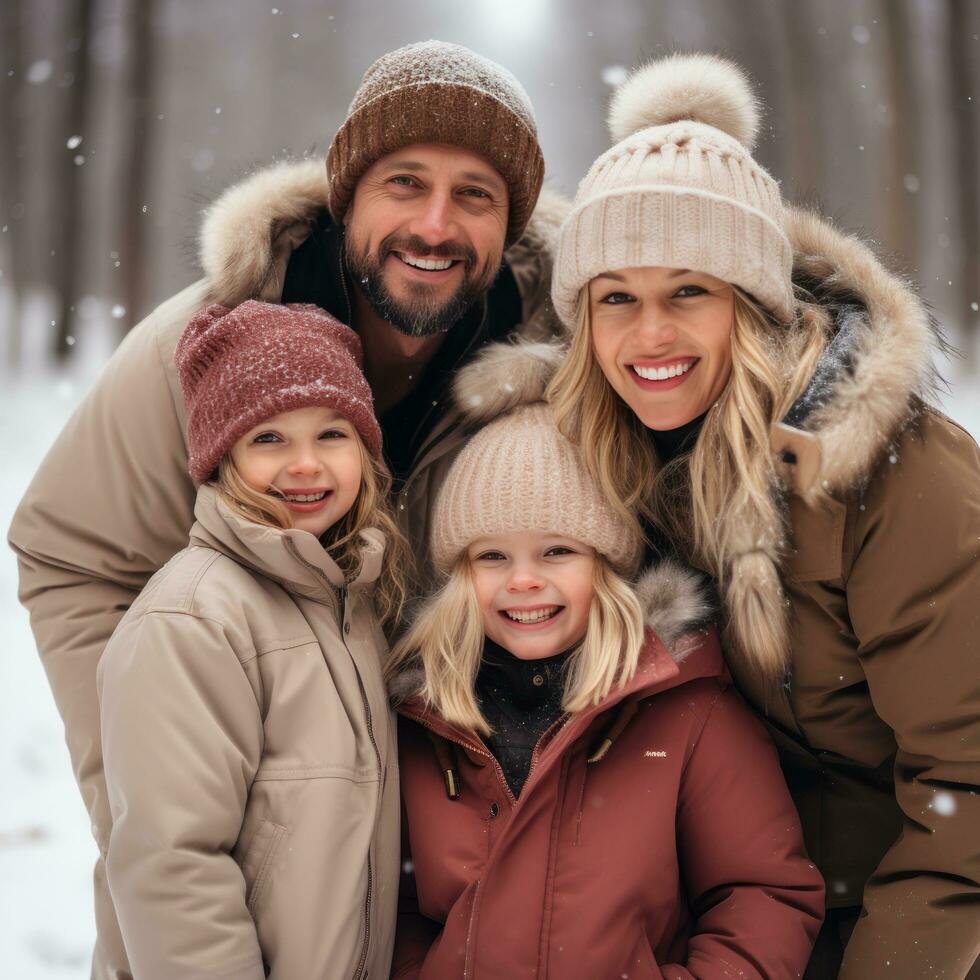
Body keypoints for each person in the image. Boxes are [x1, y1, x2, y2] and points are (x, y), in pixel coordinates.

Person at [8, 40, 562, 978]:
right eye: (405, 182)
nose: (434, 223)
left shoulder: (542, 367)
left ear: (511, 227)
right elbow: (71, 553)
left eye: (475, 195)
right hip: (240, 894)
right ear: (348, 196)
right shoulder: (210, 341)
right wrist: (157, 799)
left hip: (431, 883)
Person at [539, 53, 980, 978]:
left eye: (688, 291)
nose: (649, 334)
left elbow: (967, 788)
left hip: (890, 925)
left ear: (756, 307)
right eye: (616, 297)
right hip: (732, 920)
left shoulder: (896, 478)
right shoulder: (595, 467)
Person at [384, 378, 826, 978]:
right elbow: (400, 907)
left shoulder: (687, 712)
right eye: (492, 557)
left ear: (607, 563)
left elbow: (762, 894)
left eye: (557, 552)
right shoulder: (426, 722)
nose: (523, 581)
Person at [97, 300, 406, 979]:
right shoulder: (194, 620)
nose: (305, 465)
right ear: (221, 454)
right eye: (269, 438)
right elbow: (173, 867)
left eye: (332, 434)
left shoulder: (353, 598)